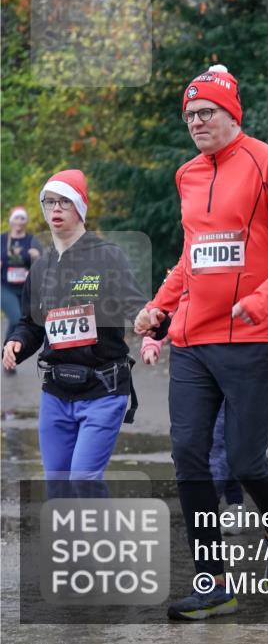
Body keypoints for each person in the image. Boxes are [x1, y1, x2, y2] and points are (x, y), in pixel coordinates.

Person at [132, 64, 268, 621]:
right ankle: (212, 581)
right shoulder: (187, 174)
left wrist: (263, 301)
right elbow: (193, 255)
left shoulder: (266, 164)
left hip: (254, 337)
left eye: (205, 112)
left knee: (242, 457)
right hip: (192, 337)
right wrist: (159, 307)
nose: (196, 122)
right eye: (189, 115)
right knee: (189, 454)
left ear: (231, 113)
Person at [3, 170, 163, 493]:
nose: (56, 209)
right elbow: (32, 323)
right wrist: (16, 342)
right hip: (56, 391)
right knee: (58, 487)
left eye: (64, 201)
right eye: (49, 202)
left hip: (103, 388)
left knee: (84, 480)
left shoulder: (107, 257)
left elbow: (134, 304)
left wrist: (144, 319)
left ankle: (104, 544)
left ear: (80, 208)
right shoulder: (40, 267)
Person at [141, 335, 245, 534]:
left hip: (235, 359)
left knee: (223, 440)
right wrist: (153, 340)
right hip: (194, 362)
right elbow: (168, 307)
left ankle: (213, 508)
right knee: (198, 442)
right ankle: (230, 503)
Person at [2, 206, 43, 370]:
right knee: (16, 317)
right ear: (11, 221)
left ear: (25, 221)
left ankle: (9, 352)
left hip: (26, 288)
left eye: (22, 218)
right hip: (4, 287)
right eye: (16, 218)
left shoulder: (32, 240)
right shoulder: (2, 240)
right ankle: (9, 351)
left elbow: (42, 264)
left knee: (21, 321)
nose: (19, 221)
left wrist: (36, 257)